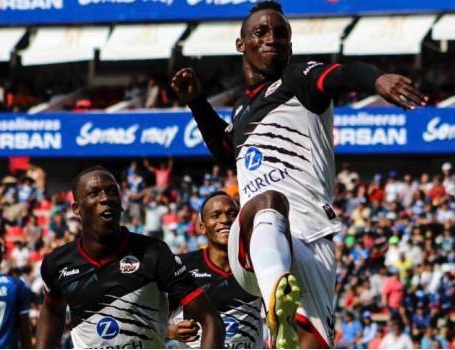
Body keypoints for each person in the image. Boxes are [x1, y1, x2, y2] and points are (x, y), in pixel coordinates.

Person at [171, 1, 427, 348]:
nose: (272, 38)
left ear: (290, 46)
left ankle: (282, 315)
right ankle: (278, 295)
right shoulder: (243, 108)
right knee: (269, 202)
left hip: (312, 240)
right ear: (241, 44)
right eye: (260, 31)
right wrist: (198, 103)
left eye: (281, 33)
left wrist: (375, 78)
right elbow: (227, 151)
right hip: (254, 241)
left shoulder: (297, 80)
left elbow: (342, 74)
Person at [35, 166, 224, 348]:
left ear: (121, 205)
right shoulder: (57, 264)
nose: (106, 199)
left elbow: (210, 319)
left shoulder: (153, 252)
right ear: (76, 208)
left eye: (112, 192)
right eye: (94, 193)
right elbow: (52, 311)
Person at [168, 191, 263, 348]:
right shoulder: (182, 265)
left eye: (232, 214)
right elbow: (151, 315)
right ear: (202, 228)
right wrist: (170, 331)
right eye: (215, 215)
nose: (225, 220)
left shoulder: (257, 264)